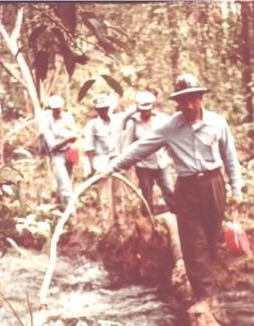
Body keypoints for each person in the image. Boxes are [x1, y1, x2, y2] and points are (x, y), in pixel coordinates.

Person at [99, 73, 244, 312]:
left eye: (193, 99)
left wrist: (236, 188)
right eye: (183, 101)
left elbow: (230, 157)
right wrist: (113, 166)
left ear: (200, 98)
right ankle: (203, 297)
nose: (189, 105)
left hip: (214, 184)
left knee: (210, 238)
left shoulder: (218, 122)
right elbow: (140, 149)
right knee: (192, 242)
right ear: (177, 102)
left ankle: (207, 286)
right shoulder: (169, 128)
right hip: (186, 188)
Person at [124, 90, 175, 214]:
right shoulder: (133, 122)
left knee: (169, 189)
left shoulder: (161, 119)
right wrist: (125, 164)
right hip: (144, 165)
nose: (145, 113)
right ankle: (148, 219)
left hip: (161, 162)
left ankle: (176, 214)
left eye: (147, 110)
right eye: (142, 110)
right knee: (146, 193)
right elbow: (128, 145)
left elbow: (171, 137)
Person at [83, 93, 124, 223]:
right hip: (101, 161)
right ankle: (106, 224)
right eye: (100, 109)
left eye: (105, 108)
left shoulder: (117, 120)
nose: (103, 111)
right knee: (104, 196)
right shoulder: (92, 125)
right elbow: (89, 148)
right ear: (96, 110)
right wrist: (92, 168)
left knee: (118, 194)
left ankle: (120, 222)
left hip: (117, 158)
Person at [41, 95, 79, 209]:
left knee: (67, 181)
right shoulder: (47, 122)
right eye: (56, 110)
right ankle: (71, 215)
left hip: (69, 152)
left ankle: (60, 207)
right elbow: (52, 145)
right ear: (51, 109)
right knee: (65, 185)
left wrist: (72, 139)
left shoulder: (67, 117)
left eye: (60, 109)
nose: (58, 111)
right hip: (57, 155)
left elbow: (75, 133)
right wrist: (67, 139)